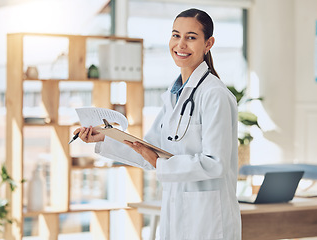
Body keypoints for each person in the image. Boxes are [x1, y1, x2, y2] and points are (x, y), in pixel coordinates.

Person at [74, 8, 241, 240]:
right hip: (177, 212)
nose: (180, 45)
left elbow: (215, 164)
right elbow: (149, 149)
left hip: (209, 219)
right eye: (176, 35)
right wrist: (104, 136)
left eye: (191, 37)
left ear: (208, 43)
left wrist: (162, 164)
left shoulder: (215, 94)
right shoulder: (174, 95)